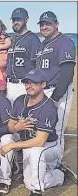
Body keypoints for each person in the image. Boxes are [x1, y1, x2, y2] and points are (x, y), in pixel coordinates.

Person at [0, 69, 64, 196]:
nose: (29, 86)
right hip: (26, 141)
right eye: (27, 83)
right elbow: (11, 124)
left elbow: (40, 141)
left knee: (35, 155)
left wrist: (13, 145)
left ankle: (40, 191)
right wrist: (16, 127)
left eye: (34, 83)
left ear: (43, 85)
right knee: (5, 138)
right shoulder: (19, 100)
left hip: (49, 145)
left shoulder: (48, 107)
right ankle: (3, 180)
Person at [35, 11, 76, 167]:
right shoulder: (43, 44)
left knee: (57, 130)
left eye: (48, 23)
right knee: (44, 127)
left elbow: (67, 73)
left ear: (56, 24)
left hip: (58, 92)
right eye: (42, 24)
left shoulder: (64, 42)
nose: (44, 27)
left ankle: (56, 165)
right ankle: (45, 162)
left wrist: (56, 97)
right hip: (43, 91)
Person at [6, 8, 41, 104]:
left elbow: (37, 65)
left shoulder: (33, 39)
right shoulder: (12, 39)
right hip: (9, 85)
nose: (15, 22)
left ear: (26, 19)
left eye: (18, 20)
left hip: (24, 85)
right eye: (13, 20)